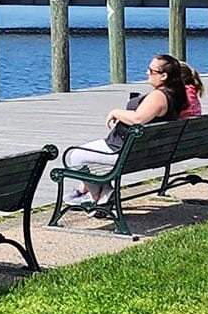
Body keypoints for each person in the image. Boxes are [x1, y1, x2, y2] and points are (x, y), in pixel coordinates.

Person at [60, 54, 188, 210]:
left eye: (151, 70)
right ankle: (104, 190)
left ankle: (97, 197)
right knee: (88, 155)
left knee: (76, 156)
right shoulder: (175, 94)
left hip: (127, 152)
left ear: (164, 76)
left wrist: (116, 112)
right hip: (145, 151)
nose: (147, 73)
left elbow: (138, 119)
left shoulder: (158, 97)